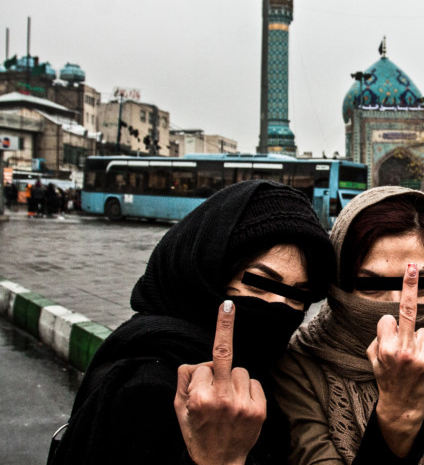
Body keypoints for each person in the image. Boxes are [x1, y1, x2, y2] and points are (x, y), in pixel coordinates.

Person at [48, 180, 337, 465]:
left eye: (297, 294)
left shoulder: (272, 373)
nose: (280, 306)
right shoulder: (150, 389)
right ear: (206, 275)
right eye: (259, 284)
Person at [273, 186, 424, 465]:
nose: (398, 306)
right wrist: (398, 414)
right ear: (340, 284)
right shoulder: (298, 369)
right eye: (371, 285)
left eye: (420, 285)